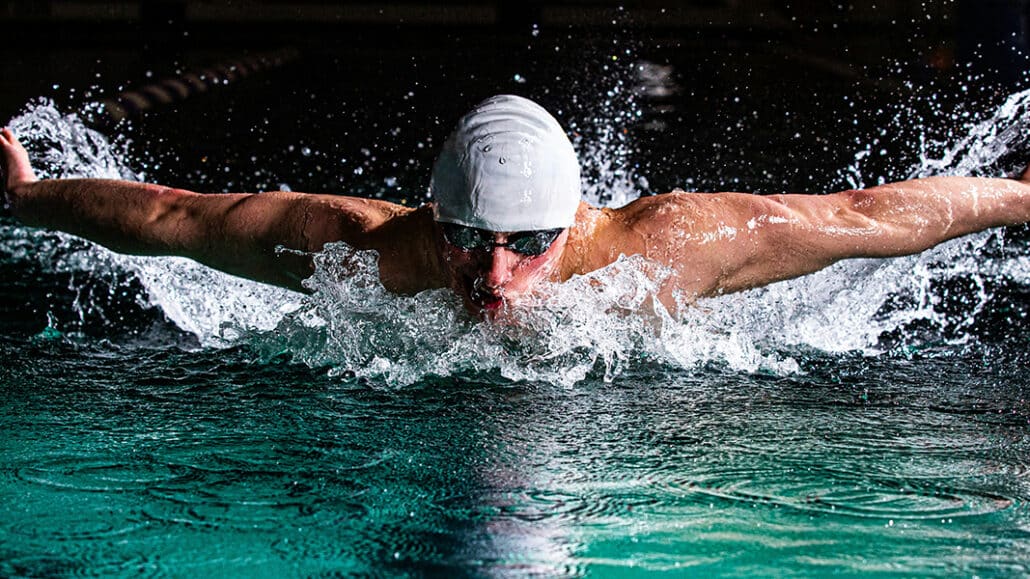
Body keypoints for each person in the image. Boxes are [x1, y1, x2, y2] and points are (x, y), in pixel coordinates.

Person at [2, 94, 1029, 318]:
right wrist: (32, 199)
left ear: (575, 225)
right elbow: (176, 216)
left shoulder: (670, 246)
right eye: (468, 242)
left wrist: (1022, 198)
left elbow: (863, 216)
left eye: (527, 248)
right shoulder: (365, 253)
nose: (491, 276)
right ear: (429, 218)